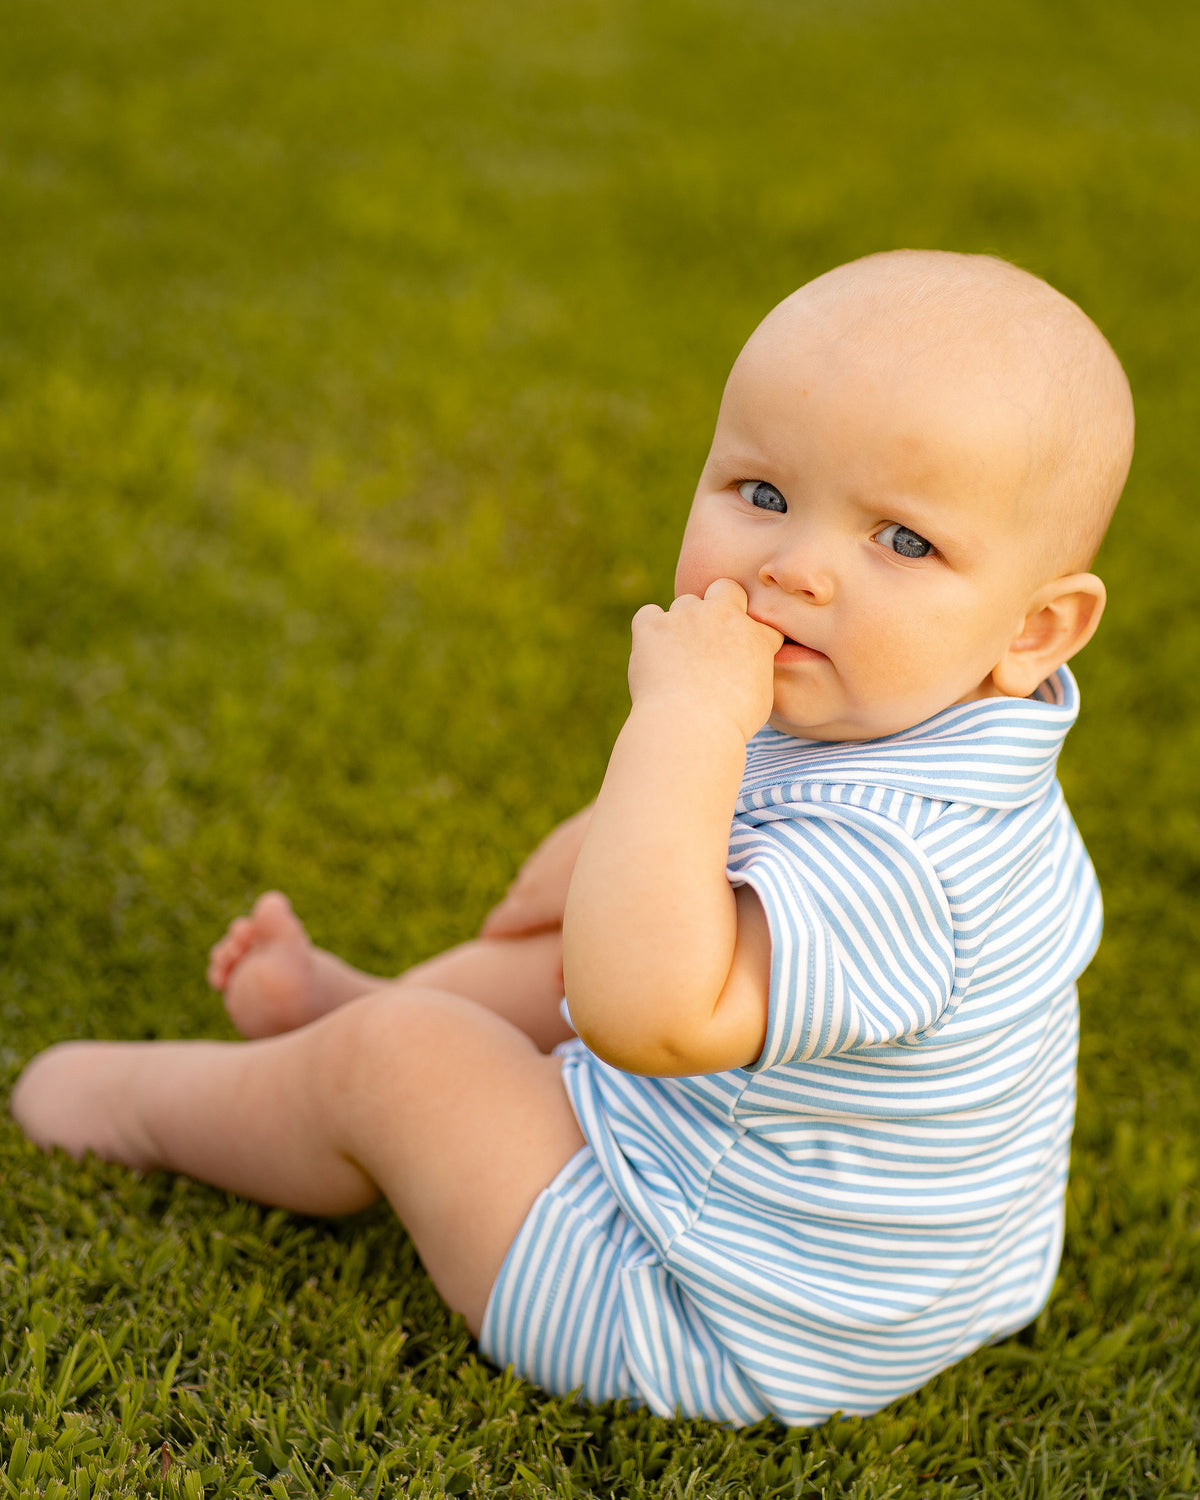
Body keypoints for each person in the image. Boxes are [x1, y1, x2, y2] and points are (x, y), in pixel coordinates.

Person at [11, 249, 1135, 1427]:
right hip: (866, 1248)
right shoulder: (938, 725)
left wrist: (683, 722)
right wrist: (612, 834)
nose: (795, 566)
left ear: (1037, 624)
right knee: (545, 955)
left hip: (705, 1308)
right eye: (763, 494)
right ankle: (343, 1013)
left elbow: (641, 1012)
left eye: (902, 542)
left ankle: (156, 1101)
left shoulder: (902, 865)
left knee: (404, 1058)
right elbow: (722, 842)